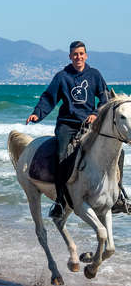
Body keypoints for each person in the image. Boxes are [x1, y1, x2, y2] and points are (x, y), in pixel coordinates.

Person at [26, 40, 130, 217]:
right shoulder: (62, 76)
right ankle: (60, 201)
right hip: (67, 124)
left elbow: (105, 99)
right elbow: (49, 97)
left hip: (90, 125)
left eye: (81, 54)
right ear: (70, 57)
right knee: (61, 154)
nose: (78, 57)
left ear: (86, 55)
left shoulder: (94, 75)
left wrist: (96, 114)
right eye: (75, 54)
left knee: (118, 152)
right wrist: (38, 113)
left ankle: (118, 196)